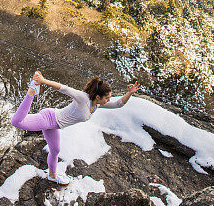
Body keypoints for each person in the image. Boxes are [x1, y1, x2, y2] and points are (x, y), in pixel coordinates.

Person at [11, 70, 142, 185]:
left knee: (55, 150)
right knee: (17, 122)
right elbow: (64, 88)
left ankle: (52, 176)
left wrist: (130, 93)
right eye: (107, 98)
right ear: (98, 96)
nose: (108, 100)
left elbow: (118, 104)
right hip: (48, 119)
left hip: (55, 125)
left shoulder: (97, 105)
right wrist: (43, 81)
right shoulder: (83, 98)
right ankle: (32, 89)